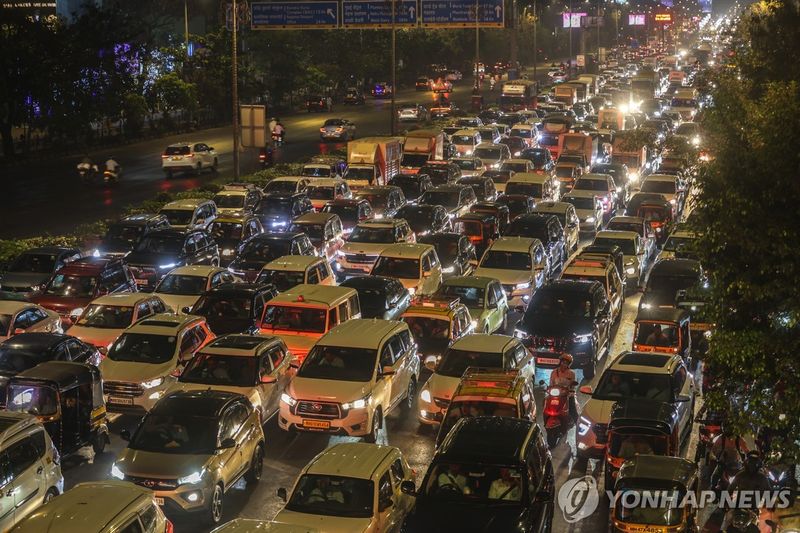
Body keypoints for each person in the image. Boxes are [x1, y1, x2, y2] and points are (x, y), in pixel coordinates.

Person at [710, 423, 749, 489]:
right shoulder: (721, 438)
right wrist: (717, 457)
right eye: (727, 429)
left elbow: (746, 451)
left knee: (746, 477)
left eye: (730, 429)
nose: (728, 431)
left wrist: (749, 459)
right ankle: (713, 489)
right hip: (723, 463)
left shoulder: (738, 439)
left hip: (736, 464)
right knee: (714, 477)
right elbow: (713, 450)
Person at [549, 353, 578, 422]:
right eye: (563, 362)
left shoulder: (571, 373)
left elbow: (573, 386)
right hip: (556, 394)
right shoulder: (554, 372)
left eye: (566, 363)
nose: (564, 364)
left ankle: (577, 423)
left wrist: (571, 391)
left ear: (569, 364)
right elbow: (551, 384)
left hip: (567, 395)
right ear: (560, 362)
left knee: (573, 410)